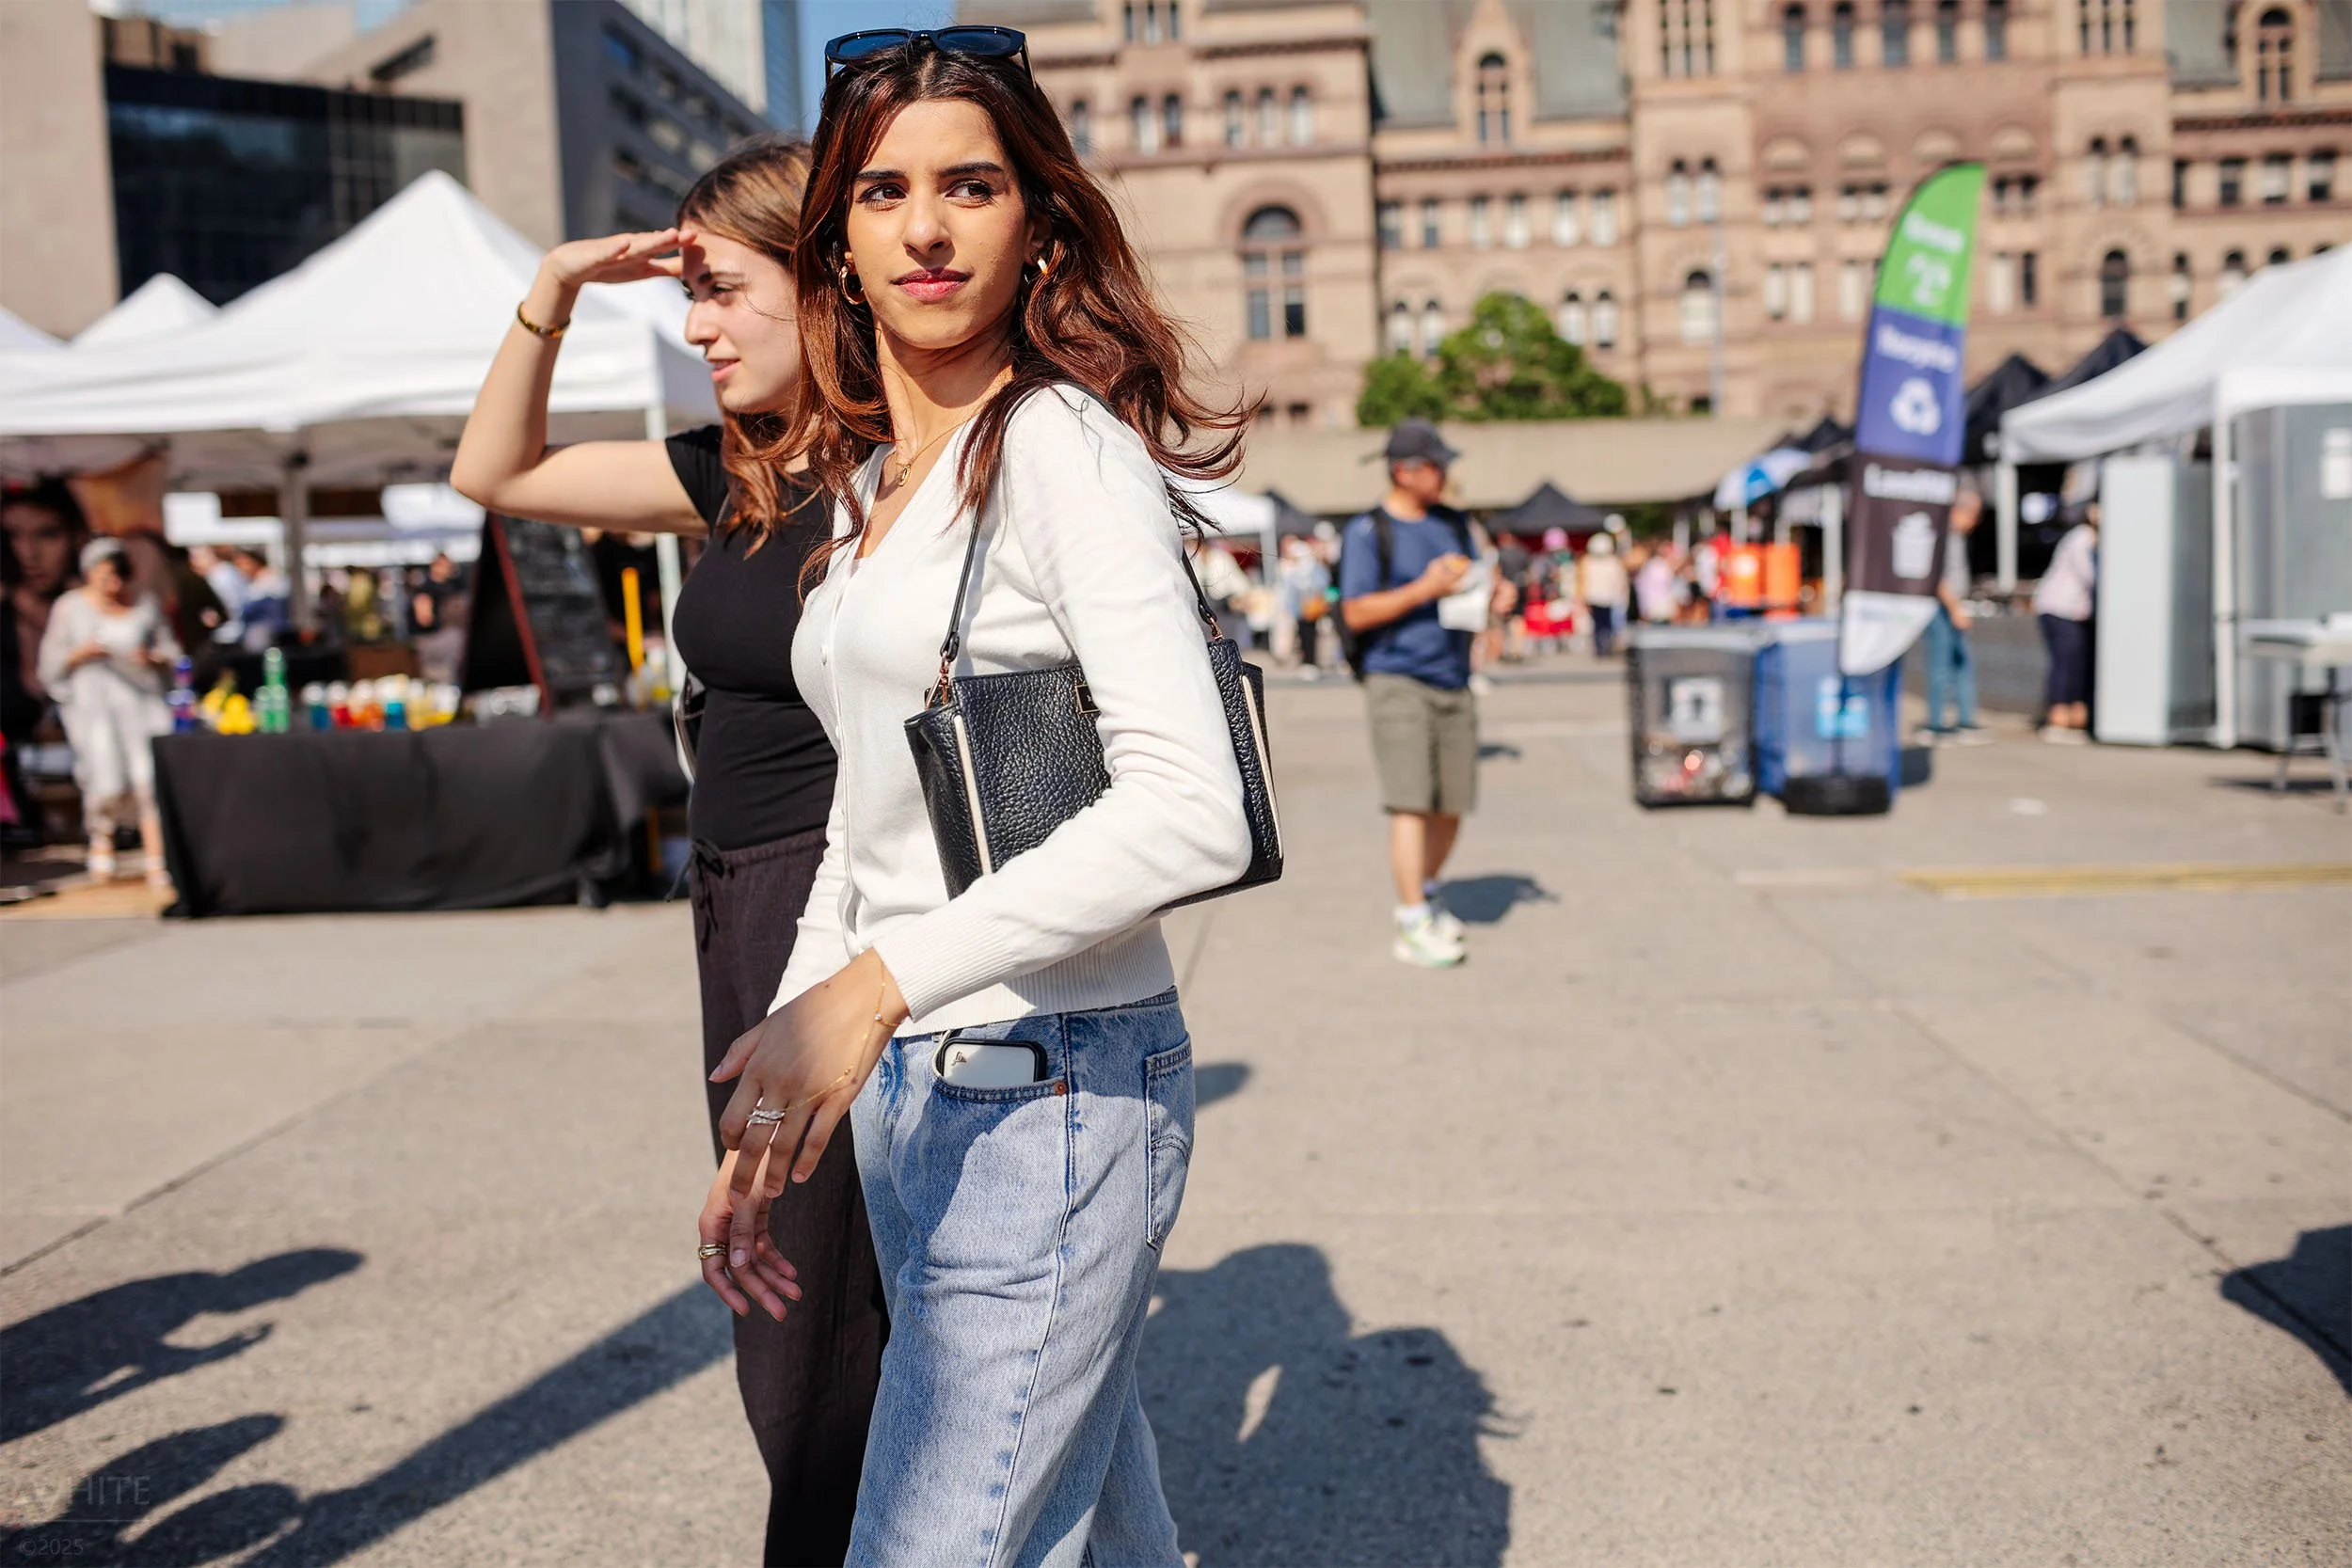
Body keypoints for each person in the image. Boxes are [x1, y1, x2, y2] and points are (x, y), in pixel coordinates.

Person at [704, 31, 1251, 1562]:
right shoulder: (876, 486)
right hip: (922, 1092)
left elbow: (1193, 806)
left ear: (1038, 224)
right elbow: (867, 825)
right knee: (1101, 1532)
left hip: (1049, 1084)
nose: (927, 229)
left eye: (972, 186)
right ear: (836, 240)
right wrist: (781, 1082)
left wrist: (875, 985)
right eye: (883, 193)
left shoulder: (1061, 449)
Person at [450, 135, 886, 1565]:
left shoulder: (904, 468)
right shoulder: (742, 468)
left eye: (722, 289)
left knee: (808, 1297)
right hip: (736, 901)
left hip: (831, 905)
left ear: (825, 283)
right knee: (793, 1289)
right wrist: (553, 289)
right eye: (688, 295)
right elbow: (494, 469)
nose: (698, 327)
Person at [1338, 419, 1477, 969]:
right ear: (1404, 470)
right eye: (1436, 465)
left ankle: (1429, 891)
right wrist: (1426, 588)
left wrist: (1493, 596)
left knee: (1453, 804)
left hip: (1454, 674)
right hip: (1396, 676)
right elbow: (1355, 611)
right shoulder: (1368, 531)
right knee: (1411, 802)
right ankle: (1412, 918)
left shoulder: (1453, 523)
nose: (1445, 474)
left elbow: (1468, 584)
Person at [37, 539, 178, 886]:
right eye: (105, 575)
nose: (112, 583)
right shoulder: (70, 608)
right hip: (96, 707)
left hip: (141, 705)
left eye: (117, 575)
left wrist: (151, 658)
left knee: (147, 778)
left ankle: (156, 853)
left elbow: (171, 652)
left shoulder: (143, 605)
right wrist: (80, 654)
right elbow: (50, 663)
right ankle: (102, 846)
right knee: (105, 779)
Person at [1921, 478, 1992, 745]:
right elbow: (1937, 578)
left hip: (1953, 606)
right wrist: (1955, 609)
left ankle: (1964, 720)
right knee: (1941, 665)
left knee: (1961, 663)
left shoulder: (1957, 537)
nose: (1976, 520)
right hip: (1942, 608)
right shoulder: (1943, 537)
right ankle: (1935, 724)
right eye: (1974, 513)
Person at [2033, 499, 2099, 743]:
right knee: (2065, 663)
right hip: (2059, 609)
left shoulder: (2092, 539)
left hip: (2076, 612)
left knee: (2077, 663)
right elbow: (2090, 575)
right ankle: (2058, 719)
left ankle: (2074, 718)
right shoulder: (2081, 537)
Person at [1578, 531, 1629, 657]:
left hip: (1604, 598)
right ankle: (1603, 646)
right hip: (1600, 598)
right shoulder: (1608, 562)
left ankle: (1604, 646)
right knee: (1603, 624)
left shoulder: (1591, 562)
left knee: (1603, 624)